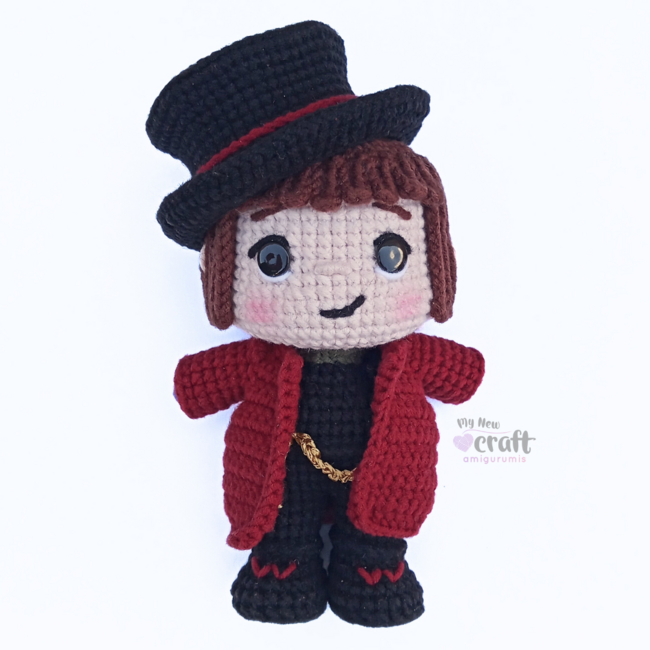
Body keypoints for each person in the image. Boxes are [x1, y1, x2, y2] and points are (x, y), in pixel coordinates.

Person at [148, 21, 485, 627]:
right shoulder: (260, 358)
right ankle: (282, 563)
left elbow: (465, 375)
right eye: (273, 260)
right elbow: (193, 389)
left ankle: (373, 566)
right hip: (282, 475)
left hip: (382, 474)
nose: (336, 283)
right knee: (284, 517)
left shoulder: (407, 355)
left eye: (388, 254)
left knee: (377, 524)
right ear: (223, 273)